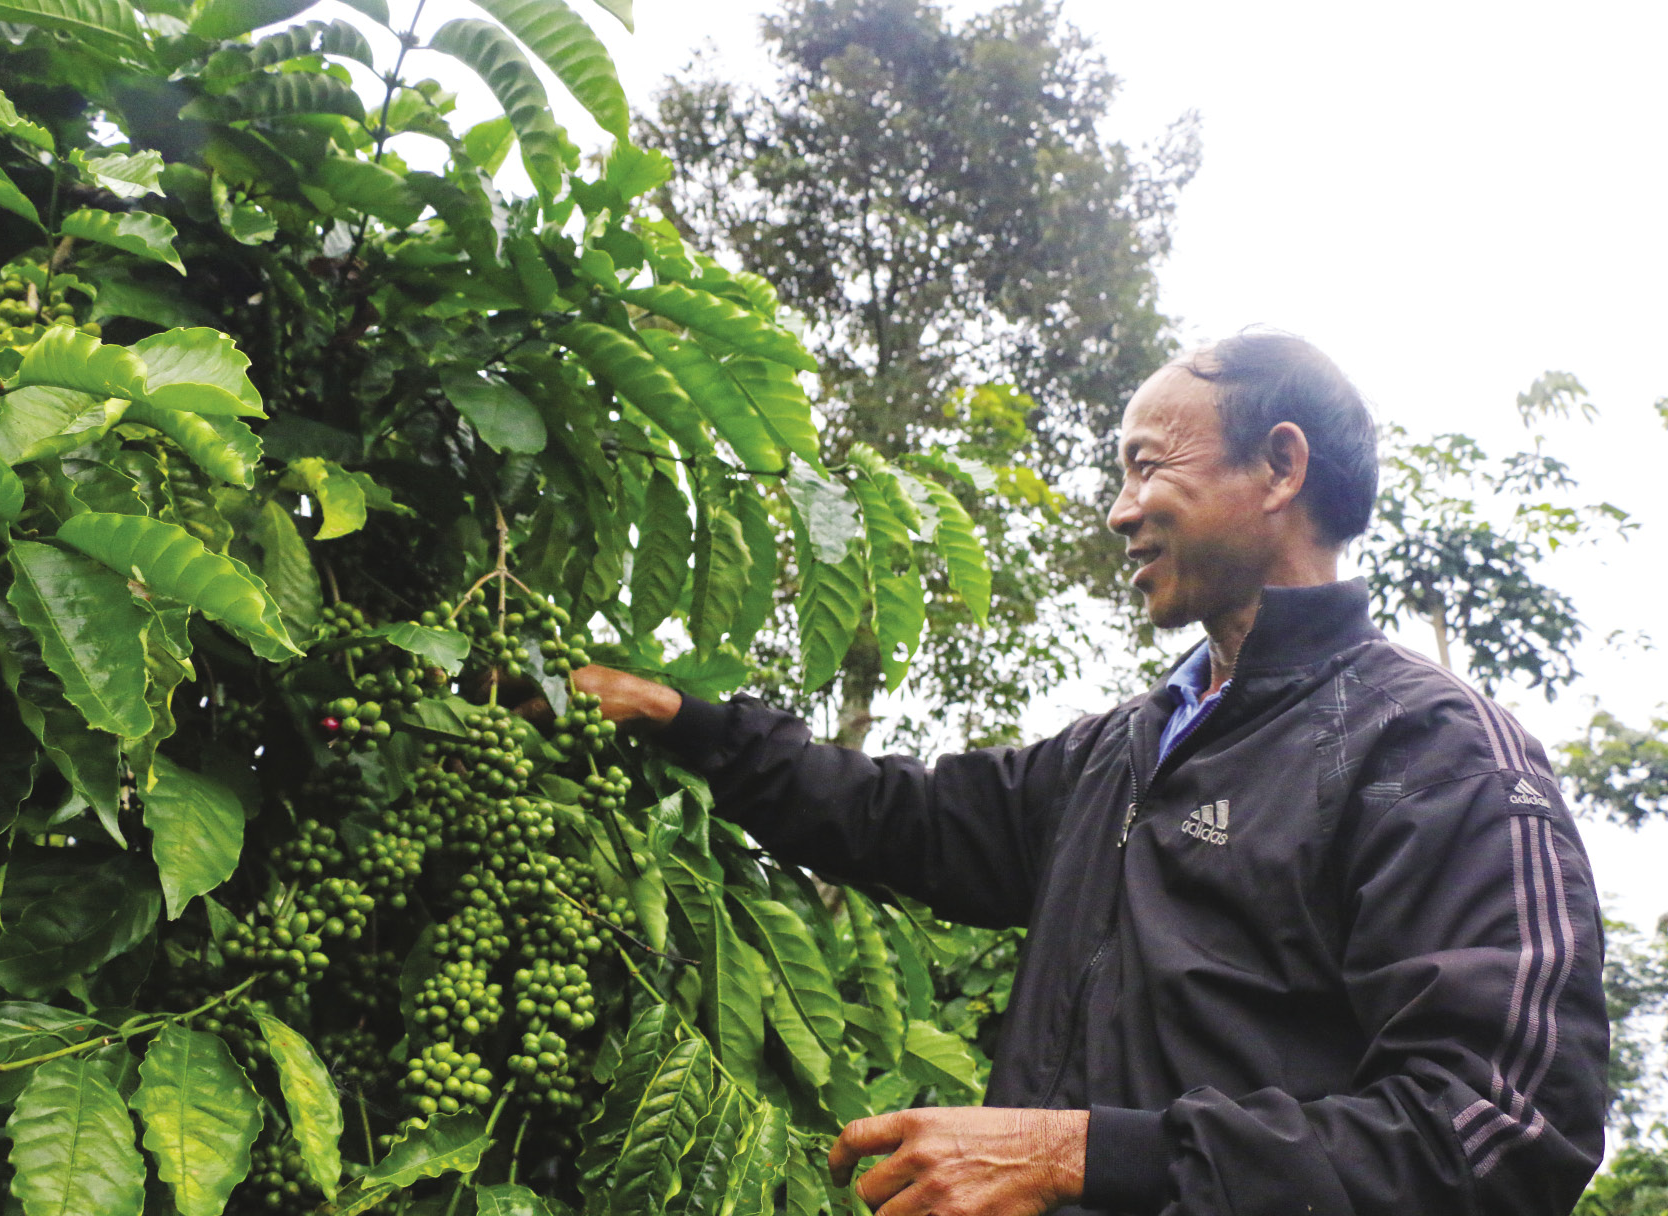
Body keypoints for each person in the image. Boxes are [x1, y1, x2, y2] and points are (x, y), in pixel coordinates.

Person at [570, 332, 1608, 1215]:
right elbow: (908, 816)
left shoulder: (1433, 750)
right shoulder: (1123, 749)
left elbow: (1505, 1131)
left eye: (1148, 466)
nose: (1119, 510)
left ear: (1281, 469)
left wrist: (1076, 1155)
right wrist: (685, 720)